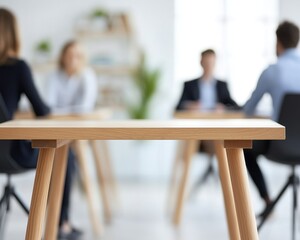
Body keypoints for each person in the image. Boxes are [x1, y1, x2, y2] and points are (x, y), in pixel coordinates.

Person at [0, 8, 81, 239]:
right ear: (13, 34)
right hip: (11, 152)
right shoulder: (18, 67)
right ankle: (60, 225)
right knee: (67, 155)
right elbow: (42, 110)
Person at [243, 21, 300, 217]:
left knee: (245, 148)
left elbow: (248, 110)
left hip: (280, 145)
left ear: (278, 43)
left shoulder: (272, 71)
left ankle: (268, 201)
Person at [46, 40, 97, 114]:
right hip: (58, 121)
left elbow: (86, 106)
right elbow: (49, 104)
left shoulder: (88, 75)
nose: (73, 59)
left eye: (77, 56)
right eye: (69, 55)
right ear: (63, 57)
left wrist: (61, 111)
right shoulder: (53, 76)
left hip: (81, 121)